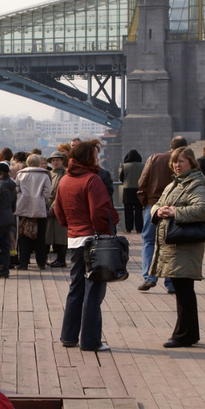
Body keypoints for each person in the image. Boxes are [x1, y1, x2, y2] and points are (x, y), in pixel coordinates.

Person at [52, 140, 118, 352]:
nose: (98, 159)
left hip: (74, 238)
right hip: (94, 239)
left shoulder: (64, 180)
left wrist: (71, 226)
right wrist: (107, 228)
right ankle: (91, 340)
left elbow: (59, 212)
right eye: (95, 155)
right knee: (94, 291)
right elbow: (99, 211)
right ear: (88, 158)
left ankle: (68, 336)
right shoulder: (92, 180)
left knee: (76, 287)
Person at [150, 147, 205, 348]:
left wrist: (175, 212)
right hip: (174, 246)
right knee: (182, 289)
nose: (177, 165)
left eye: (182, 161)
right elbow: (158, 203)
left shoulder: (195, 184)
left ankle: (183, 334)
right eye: (175, 161)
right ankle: (188, 333)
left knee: (184, 290)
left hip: (184, 246)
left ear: (192, 163)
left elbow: (203, 209)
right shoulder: (174, 184)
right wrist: (158, 211)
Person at [136, 136, 188, 292]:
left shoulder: (155, 158)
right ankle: (171, 282)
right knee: (172, 243)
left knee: (149, 241)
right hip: (175, 209)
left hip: (153, 206)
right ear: (185, 147)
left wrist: (145, 202)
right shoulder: (186, 163)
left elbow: (142, 182)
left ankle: (149, 277)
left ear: (170, 145)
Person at [15, 153, 51, 270]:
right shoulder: (44, 175)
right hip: (39, 208)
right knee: (40, 236)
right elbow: (47, 193)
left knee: (23, 235)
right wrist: (42, 200)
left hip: (23, 207)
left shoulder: (20, 174)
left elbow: (16, 190)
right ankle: (41, 262)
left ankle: (24, 262)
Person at [45, 150, 68, 267]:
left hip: (60, 207)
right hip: (48, 206)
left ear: (62, 161)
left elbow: (62, 192)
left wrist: (54, 205)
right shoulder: (49, 174)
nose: (55, 162)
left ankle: (61, 259)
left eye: (57, 160)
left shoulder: (65, 174)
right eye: (53, 160)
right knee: (48, 234)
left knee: (60, 235)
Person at [118, 150, 144, 233]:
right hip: (139, 189)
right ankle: (139, 228)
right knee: (138, 210)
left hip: (127, 190)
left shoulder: (125, 166)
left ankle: (128, 228)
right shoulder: (142, 166)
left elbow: (121, 178)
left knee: (128, 210)